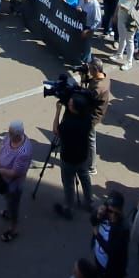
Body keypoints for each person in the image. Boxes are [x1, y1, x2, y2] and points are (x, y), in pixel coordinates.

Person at [51, 63, 108, 218]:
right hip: (82, 157)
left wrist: (58, 111)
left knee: (68, 184)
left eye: (70, 104)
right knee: (85, 178)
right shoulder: (87, 120)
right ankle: (89, 202)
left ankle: (68, 208)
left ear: (74, 109)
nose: (68, 103)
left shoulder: (68, 123)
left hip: (68, 158)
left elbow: (56, 130)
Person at [0, 121, 33, 242]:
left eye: (10, 132)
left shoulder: (24, 152)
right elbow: (1, 145)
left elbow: (16, 173)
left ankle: (13, 229)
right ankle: (9, 212)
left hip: (13, 184)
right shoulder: (9, 138)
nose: (8, 134)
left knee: (13, 203)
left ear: (17, 135)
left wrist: (0, 169)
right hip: (4, 178)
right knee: (7, 198)